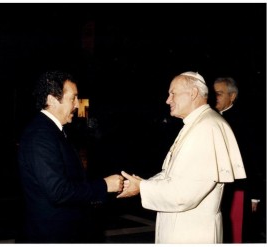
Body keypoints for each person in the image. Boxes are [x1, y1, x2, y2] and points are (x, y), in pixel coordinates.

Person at [117, 71, 247, 244]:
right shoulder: (197, 123)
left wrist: (142, 188)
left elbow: (183, 194)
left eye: (173, 93)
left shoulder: (205, 128)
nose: (168, 100)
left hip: (192, 233)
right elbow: (171, 174)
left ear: (193, 93)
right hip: (185, 228)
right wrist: (142, 183)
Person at [18, 70, 124, 243]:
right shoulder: (40, 135)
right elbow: (58, 191)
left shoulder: (53, 131)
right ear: (52, 100)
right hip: (50, 236)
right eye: (73, 98)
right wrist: (104, 185)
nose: (77, 104)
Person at [213, 77, 263, 243]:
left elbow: (254, 157)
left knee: (237, 237)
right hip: (215, 190)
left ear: (232, 96)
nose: (215, 97)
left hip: (238, 190)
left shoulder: (245, 122)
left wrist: (255, 195)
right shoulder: (211, 118)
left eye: (219, 94)